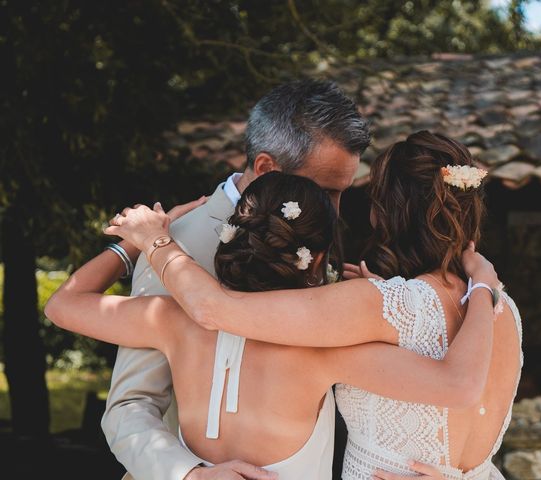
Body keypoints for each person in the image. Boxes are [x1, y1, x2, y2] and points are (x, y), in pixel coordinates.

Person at [96, 79, 489, 480]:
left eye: (343, 193)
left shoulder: (325, 237)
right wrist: (189, 473)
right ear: (267, 167)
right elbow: (130, 405)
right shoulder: (179, 241)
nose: (336, 213)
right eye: (325, 191)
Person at [46, 171, 499, 480]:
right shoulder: (329, 351)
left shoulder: (169, 320)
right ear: (318, 259)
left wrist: (132, 247)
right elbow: (456, 383)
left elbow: (63, 306)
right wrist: (481, 287)